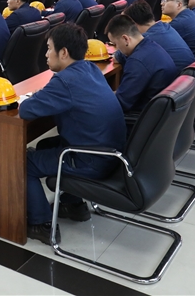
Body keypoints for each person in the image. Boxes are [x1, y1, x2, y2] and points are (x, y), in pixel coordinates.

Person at [21, 23, 126, 243]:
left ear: (63, 52)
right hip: (111, 152)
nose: (46, 54)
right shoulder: (90, 68)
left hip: (91, 160)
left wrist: (38, 96)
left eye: (49, 48)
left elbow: (26, 109)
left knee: (24, 163)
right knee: (45, 146)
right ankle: (73, 204)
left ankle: (41, 224)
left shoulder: (64, 81)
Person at [106, 14, 178, 114]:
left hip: (142, 117)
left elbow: (121, 103)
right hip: (162, 113)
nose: (117, 48)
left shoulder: (137, 62)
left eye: (115, 44)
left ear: (126, 39)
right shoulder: (152, 45)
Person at [119, 0, 195, 70]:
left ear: (133, 24)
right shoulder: (166, 26)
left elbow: (119, 57)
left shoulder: (146, 39)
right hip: (189, 77)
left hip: (177, 78)